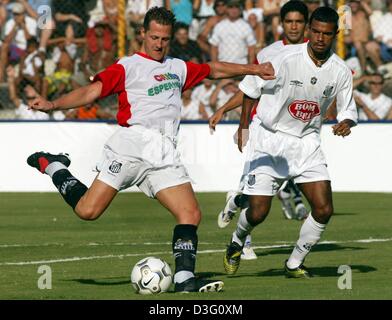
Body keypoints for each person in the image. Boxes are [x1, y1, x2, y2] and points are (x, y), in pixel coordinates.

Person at [26, 6, 274, 293]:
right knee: (87, 211)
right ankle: (53, 164)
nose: (159, 44)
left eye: (165, 39)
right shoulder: (127, 66)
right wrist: (54, 104)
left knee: (190, 214)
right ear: (143, 34)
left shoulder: (177, 67)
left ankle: (184, 280)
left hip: (164, 151)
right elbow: (92, 91)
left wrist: (254, 69)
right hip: (130, 148)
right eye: (154, 37)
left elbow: (212, 69)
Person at [223, 6, 358, 278]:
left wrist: (346, 123)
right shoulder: (283, 58)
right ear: (309, 31)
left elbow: (348, 110)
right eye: (316, 32)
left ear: (334, 35)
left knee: (324, 208)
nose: (320, 38)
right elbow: (250, 89)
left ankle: (295, 262)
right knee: (258, 212)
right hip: (270, 139)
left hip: (307, 142)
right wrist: (244, 125)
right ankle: (237, 241)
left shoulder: (341, 70)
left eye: (327, 34)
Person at [210, 0, 310, 260]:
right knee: (258, 196)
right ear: (281, 24)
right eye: (289, 21)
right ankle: (244, 243)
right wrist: (227, 113)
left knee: (269, 191)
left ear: (306, 25)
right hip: (263, 132)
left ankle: (234, 201)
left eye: (299, 21)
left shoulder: (316, 54)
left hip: (295, 135)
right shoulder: (268, 54)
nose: (294, 26)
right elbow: (249, 88)